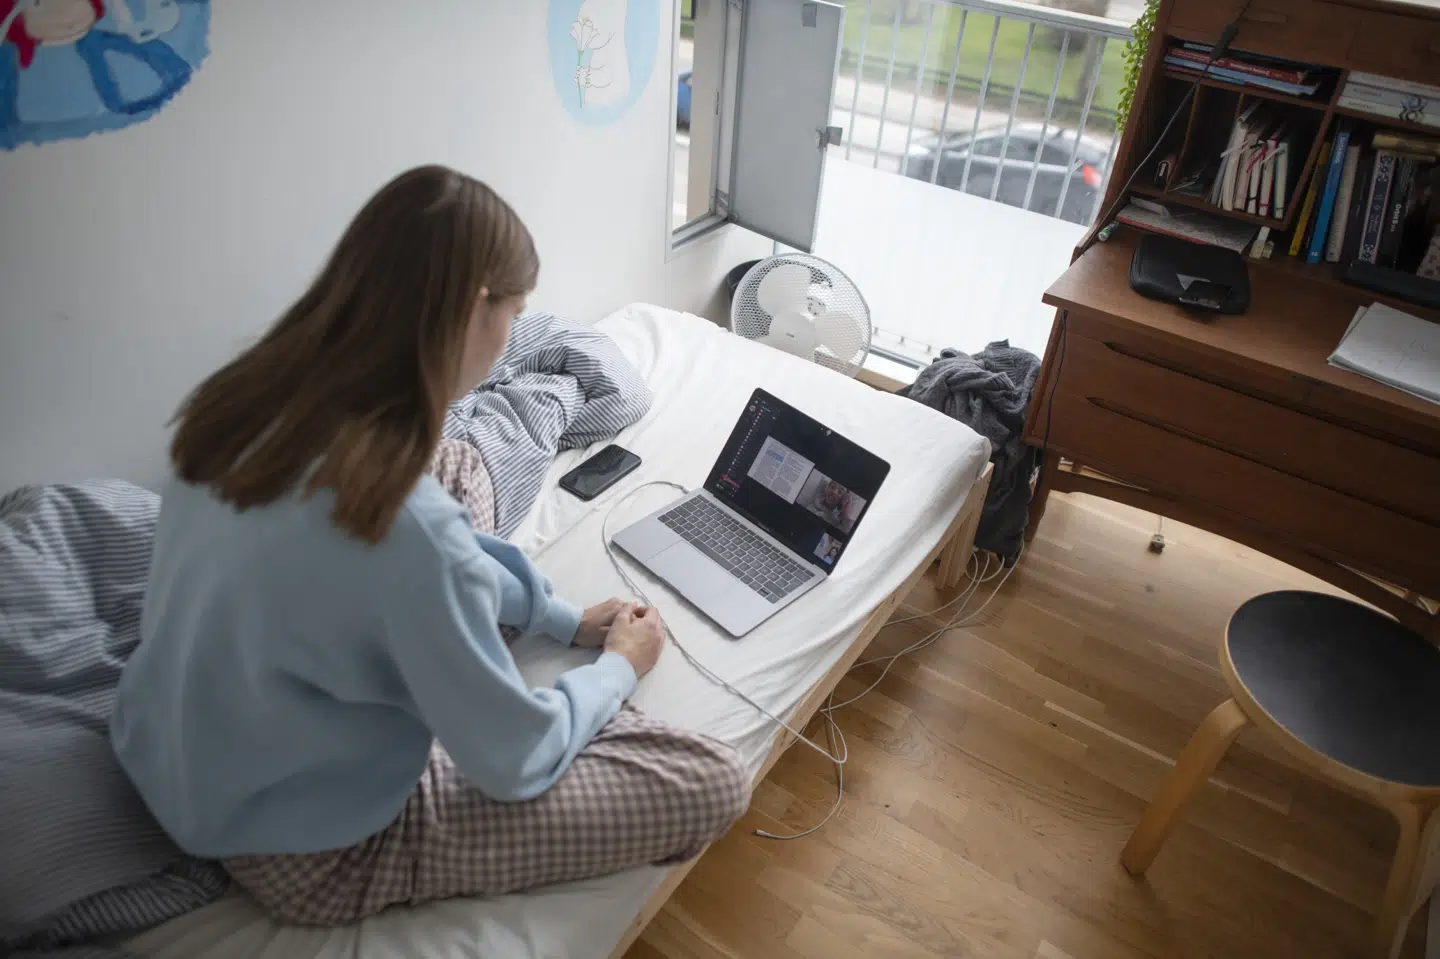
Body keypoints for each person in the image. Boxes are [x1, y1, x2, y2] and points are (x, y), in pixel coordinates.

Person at [111, 166, 749, 926]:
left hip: (164, 748)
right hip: (303, 845)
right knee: (711, 781)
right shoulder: (410, 531)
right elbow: (516, 759)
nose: (512, 335)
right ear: (474, 309)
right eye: (514, 313)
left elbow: (429, 553)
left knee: (452, 473)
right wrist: (618, 666)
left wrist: (559, 617)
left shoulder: (246, 400)